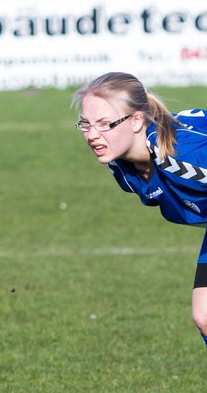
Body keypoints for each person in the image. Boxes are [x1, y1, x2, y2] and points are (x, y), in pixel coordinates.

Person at [76, 71, 207, 349]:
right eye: (86, 124)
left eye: (104, 124)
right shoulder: (122, 167)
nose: (92, 135)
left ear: (137, 120)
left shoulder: (182, 155)